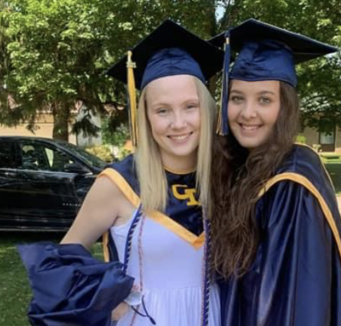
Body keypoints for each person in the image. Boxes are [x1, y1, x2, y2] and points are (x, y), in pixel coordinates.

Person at [60, 20, 223, 326]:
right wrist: (102, 299)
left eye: (190, 106)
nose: (178, 123)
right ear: (145, 117)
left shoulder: (224, 177)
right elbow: (64, 256)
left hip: (213, 316)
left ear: (208, 108)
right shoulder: (118, 184)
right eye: (162, 110)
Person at [208, 19, 341, 326]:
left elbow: (295, 300)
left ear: (284, 107)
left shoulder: (292, 182)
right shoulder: (241, 167)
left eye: (264, 99)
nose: (248, 113)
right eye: (237, 98)